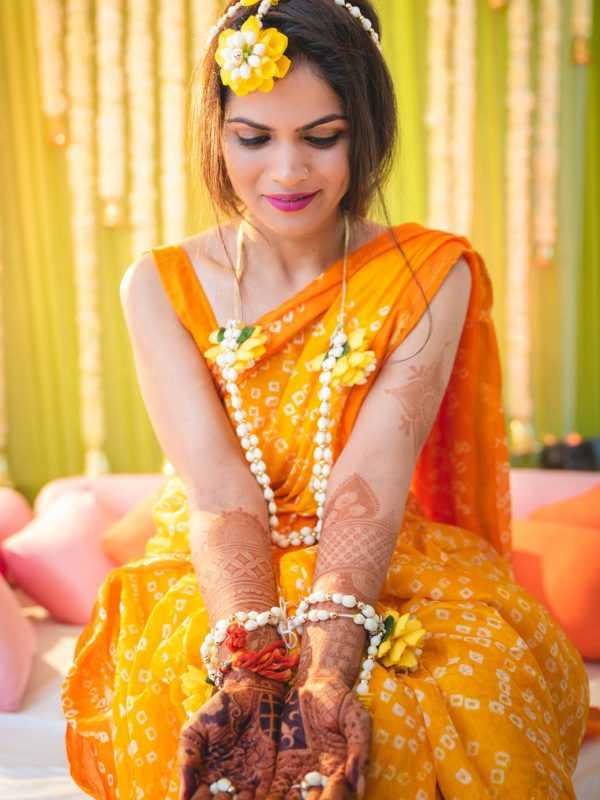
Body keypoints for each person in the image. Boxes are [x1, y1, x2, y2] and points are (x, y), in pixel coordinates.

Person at [61, 1, 590, 798]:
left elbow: (372, 477)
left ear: (365, 131)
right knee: (198, 715)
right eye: (254, 138)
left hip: (377, 560)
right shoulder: (159, 286)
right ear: (216, 133)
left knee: (422, 711)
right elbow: (218, 490)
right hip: (221, 572)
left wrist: (330, 667)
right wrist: (250, 664)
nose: (287, 173)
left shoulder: (426, 274)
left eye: (322, 137)